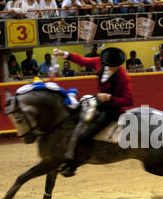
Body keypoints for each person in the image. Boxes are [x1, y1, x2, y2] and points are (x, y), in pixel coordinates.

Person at [52, 47, 133, 177]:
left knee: (85, 136)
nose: (115, 68)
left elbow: (129, 100)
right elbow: (82, 61)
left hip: (112, 110)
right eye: (112, 66)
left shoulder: (123, 77)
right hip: (99, 101)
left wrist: (109, 98)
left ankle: (74, 165)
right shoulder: (99, 62)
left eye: (116, 66)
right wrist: (64, 54)